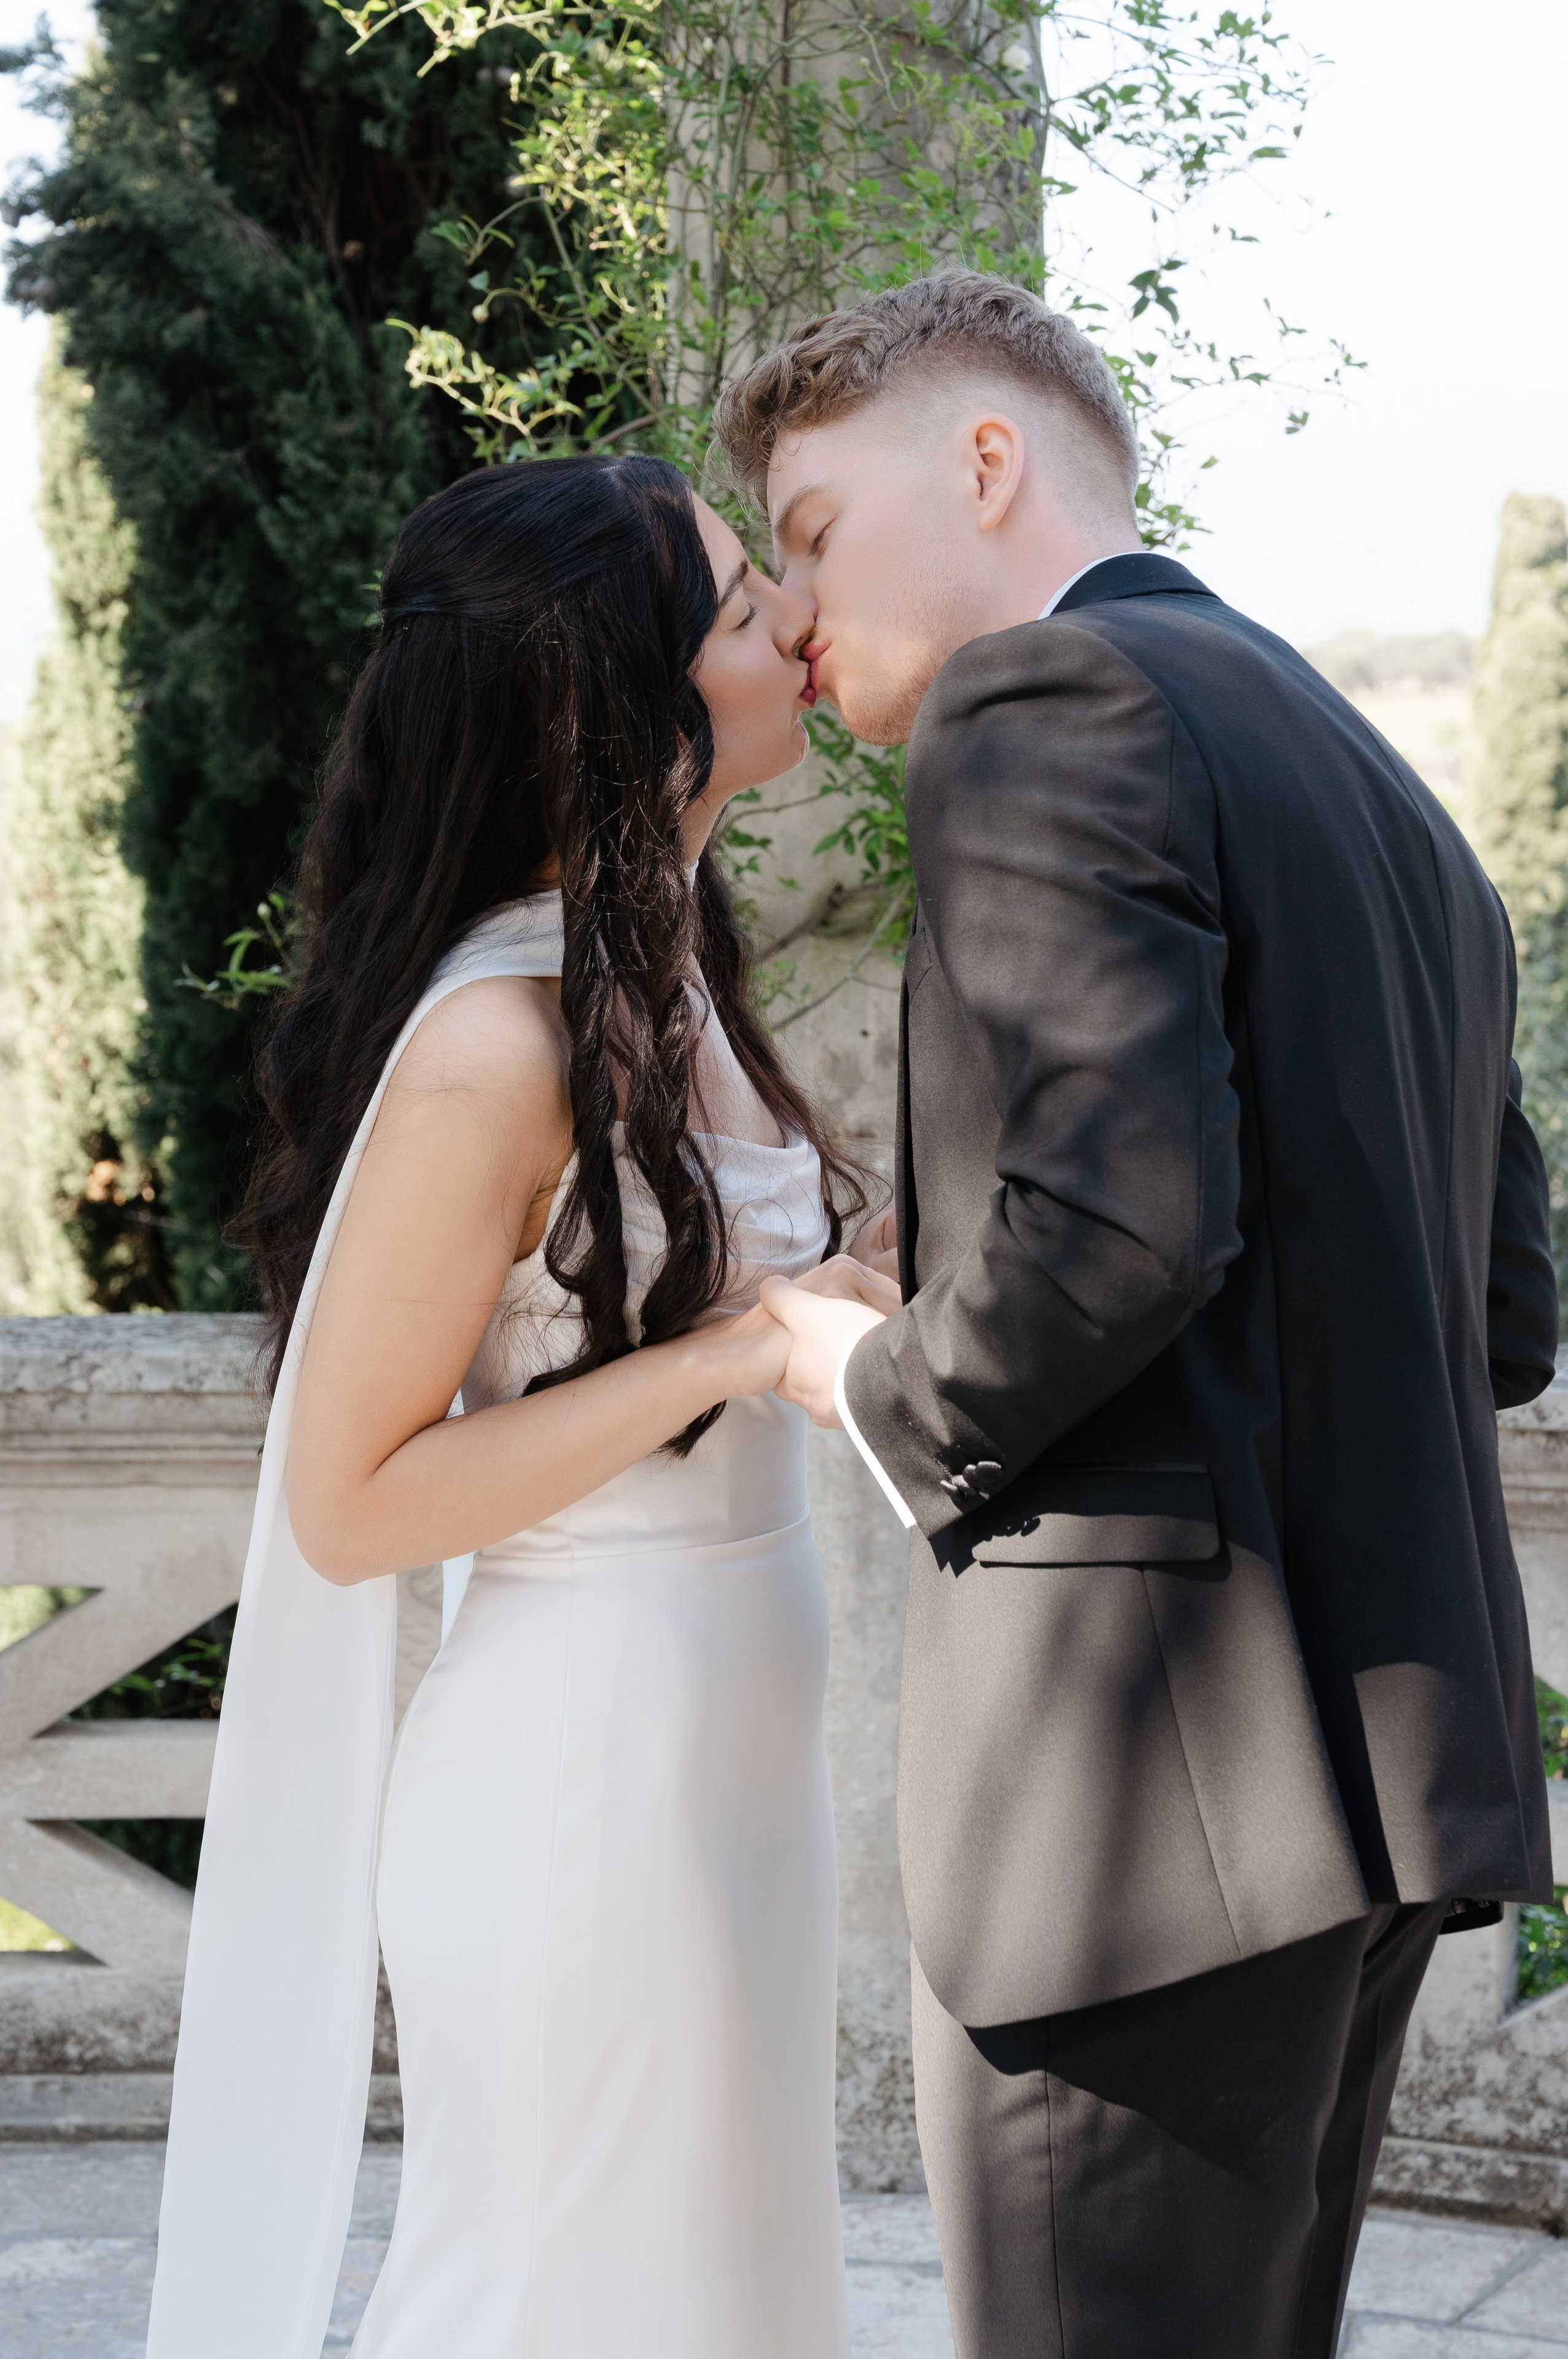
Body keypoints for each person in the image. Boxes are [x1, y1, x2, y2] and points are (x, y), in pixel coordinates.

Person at [716, 272, 1562, 2358]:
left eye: (815, 529)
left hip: (1139, 1842)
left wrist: (873, 1374)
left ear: (987, 461)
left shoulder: (1043, 703)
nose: (802, 613)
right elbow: (1506, 1304)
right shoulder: (1382, 790)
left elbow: (1118, 1226)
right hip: (1359, 1807)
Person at [144, 455, 868, 2358]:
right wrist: (730, 1353)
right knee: (562, 2296)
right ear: (603, 700)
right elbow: (356, 1501)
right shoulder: (496, 1035)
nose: (794, 617)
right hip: (587, 1783)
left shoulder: (673, 967)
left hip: (731, 1760)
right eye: (734, 607)